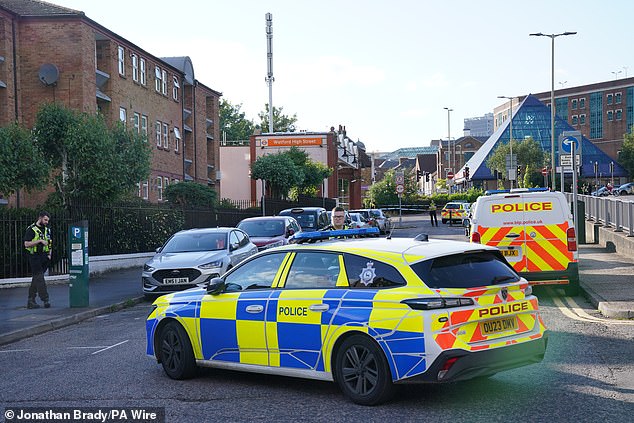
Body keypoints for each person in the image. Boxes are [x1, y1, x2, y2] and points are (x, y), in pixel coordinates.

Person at [23, 211, 52, 309]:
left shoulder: (47, 230)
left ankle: (31, 300)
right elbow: (26, 244)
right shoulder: (31, 229)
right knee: (39, 278)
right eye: (45, 220)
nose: (47, 222)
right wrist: (39, 241)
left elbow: (49, 242)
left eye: (48, 220)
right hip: (34, 256)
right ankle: (45, 299)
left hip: (44, 257)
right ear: (40, 218)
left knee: (36, 278)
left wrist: (49, 255)